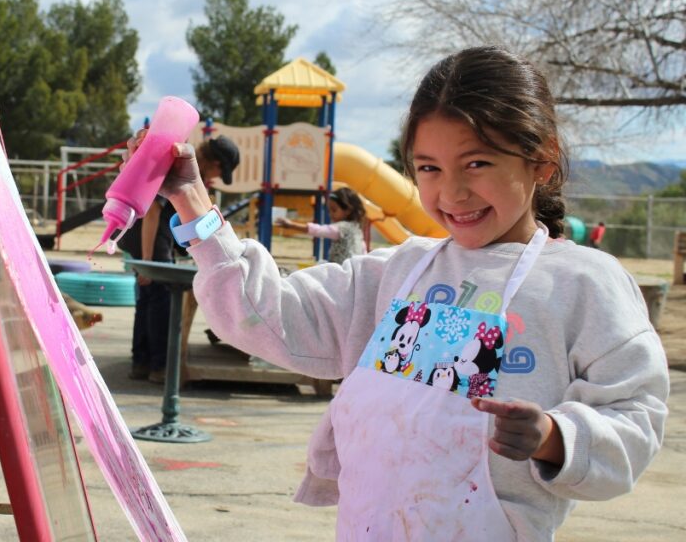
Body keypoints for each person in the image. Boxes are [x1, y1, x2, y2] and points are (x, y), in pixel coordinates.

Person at [129, 46, 669, 540]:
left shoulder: (583, 284)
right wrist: (193, 202)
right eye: (428, 169)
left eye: (477, 163)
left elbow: (636, 418)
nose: (451, 192)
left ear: (542, 160)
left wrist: (556, 436)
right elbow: (269, 316)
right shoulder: (398, 273)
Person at [118, 135, 239, 384]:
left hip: (144, 238)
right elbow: (153, 211)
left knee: (147, 300)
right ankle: (160, 366)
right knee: (161, 302)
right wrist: (149, 261)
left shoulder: (186, 173)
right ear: (213, 161)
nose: (216, 176)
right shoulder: (176, 167)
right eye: (219, 169)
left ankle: (141, 362)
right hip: (149, 239)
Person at [275, 186, 367, 264]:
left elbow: (319, 230)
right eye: (329, 210)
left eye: (334, 210)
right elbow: (363, 250)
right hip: (354, 270)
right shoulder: (357, 230)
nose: (330, 214)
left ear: (348, 211)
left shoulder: (341, 228)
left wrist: (292, 225)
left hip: (341, 272)